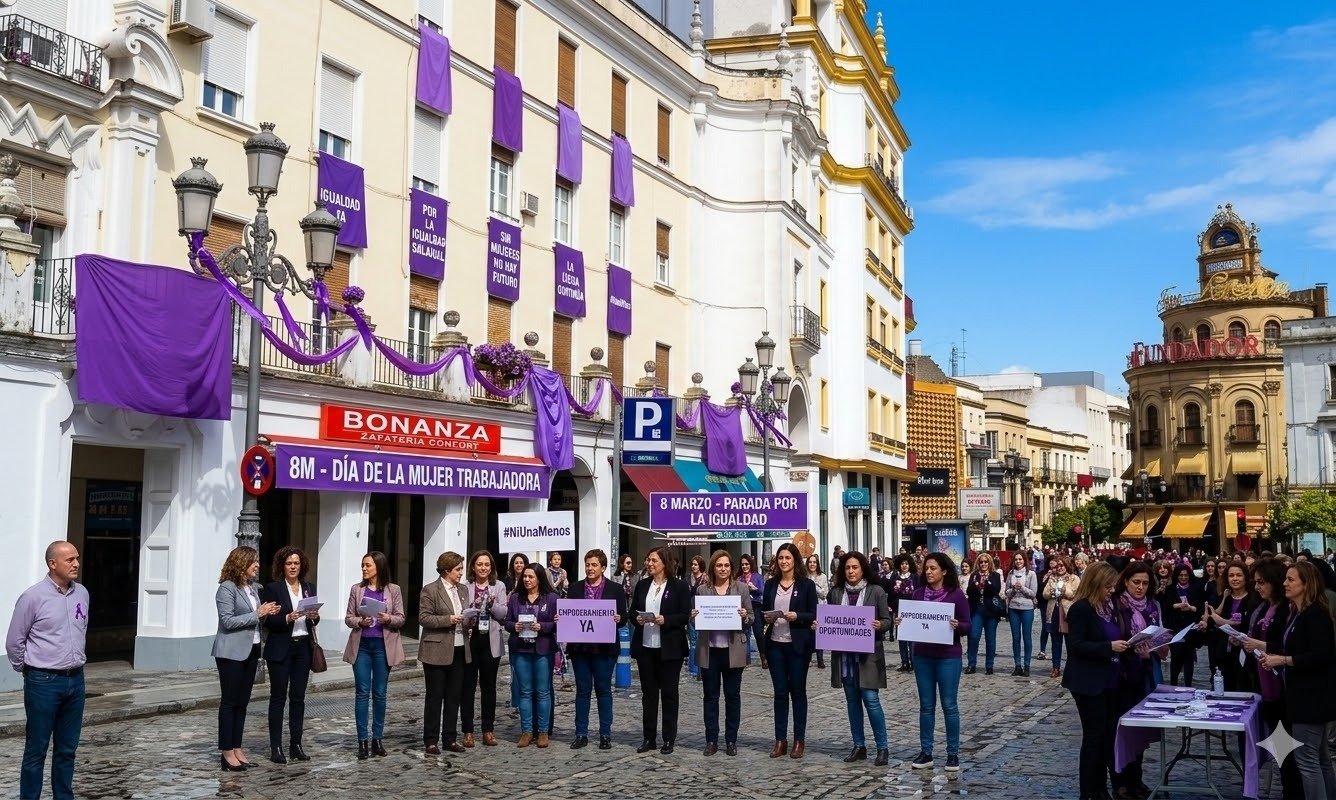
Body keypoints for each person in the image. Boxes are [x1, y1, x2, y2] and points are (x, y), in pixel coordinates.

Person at [6, 541, 90, 799]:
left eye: (77, 558)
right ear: (52, 564)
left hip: (75, 680)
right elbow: (14, 641)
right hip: (43, 681)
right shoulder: (33, 597)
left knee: (67, 749)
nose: (76, 563)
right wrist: (29, 669)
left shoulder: (82, 593)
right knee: (36, 749)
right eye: (69, 560)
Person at [1258, 561, 1336, 799]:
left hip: (1311, 698)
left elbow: (1320, 655)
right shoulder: (1298, 613)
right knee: (1320, 758)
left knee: (1307, 760)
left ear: (1306, 584)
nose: (1285, 583)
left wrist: (1282, 660)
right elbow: (1289, 646)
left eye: (1291, 579)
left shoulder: (1315, 615)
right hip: (1303, 695)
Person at [1063, 562, 1131, 800]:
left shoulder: (1108, 606)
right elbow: (1076, 645)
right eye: (1108, 586)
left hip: (1109, 679)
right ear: (1095, 584)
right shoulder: (1081, 609)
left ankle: (1102, 787)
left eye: (1113, 586)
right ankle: (1090, 790)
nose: (1112, 590)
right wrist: (1108, 647)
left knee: (1106, 735)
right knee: (1093, 735)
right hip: (1087, 681)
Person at [210, 546, 281, 772]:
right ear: (241, 563)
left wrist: (268, 612)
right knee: (229, 702)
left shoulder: (252, 589)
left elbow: (254, 619)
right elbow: (227, 621)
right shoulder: (226, 588)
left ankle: (237, 747)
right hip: (231, 652)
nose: (258, 565)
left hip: (252, 650)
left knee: (243, 703)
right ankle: (226, 751)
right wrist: (257, 614)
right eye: (253, 561)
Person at [1237, 558, 1300, 799]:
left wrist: (1258, 644)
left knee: (1288, 745)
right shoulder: (1263, 606)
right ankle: (1288, 787)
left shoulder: (1286, 608)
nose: (1257, 587)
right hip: (1264, 683)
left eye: (1262, 582)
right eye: (1256, 583)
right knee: (1278, 742)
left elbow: (1286, 645)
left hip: (1281, 684)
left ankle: (1292, 790)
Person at [902, 552, 970, 772]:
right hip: (923, 655)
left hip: (948, 657)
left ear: (944, 571)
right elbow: (912, 621)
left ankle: (952, 754)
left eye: (933, 568)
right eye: (927, 568)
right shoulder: (918, 593)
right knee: (926, 706)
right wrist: (902, 621)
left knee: (949, 705)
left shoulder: (956, 595)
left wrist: (957, 624)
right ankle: (926, 752)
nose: (929, 572)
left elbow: (968, 626)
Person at [830, 551, 893, 766]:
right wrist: (820, 626)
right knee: (852, 702)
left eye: (855, 567)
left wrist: (880, 625)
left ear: (863, 568)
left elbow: (887, 620)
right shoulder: (836, 593)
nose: (851, 571)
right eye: (847, 568)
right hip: (845, 657)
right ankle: (859, 745)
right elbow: (830, 620)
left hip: (868, 656)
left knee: (871, 700)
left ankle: (882, 747)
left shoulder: (876, 592)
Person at [342, 551, 406, 760]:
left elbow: (401, 618)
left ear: (378, 566)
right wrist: (360, 622)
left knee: (379, 693)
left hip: (383, 646)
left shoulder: (393, 590)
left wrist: (388, 618)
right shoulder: (357, 589)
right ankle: (362, 741)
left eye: (367, 565)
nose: (364, 569)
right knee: (362, 692)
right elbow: (348, 617)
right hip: (362, 645)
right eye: (363, 565)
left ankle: (377, 738)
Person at [261, 546, 320, 764]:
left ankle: (296, 744)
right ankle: (276, 746)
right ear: (282, 566)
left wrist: (313, 616)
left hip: (303, 648)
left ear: (301, 565)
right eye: (289, 563)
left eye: (296, 563)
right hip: (280, 648)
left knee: (298, 698)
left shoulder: (308, 587)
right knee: (278, 697)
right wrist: (288, 617)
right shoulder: (273, 589)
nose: (293, 567)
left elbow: (313, 620)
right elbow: (267, 620)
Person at [630, 546, 692, 754]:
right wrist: (637, 619)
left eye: (654, 560)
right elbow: (631, 613)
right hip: (646, 645)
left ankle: (668, 738)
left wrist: (666, 620)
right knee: (648, 694)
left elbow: (685, 615)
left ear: (664, 562)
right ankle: (649, 737)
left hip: (669, 647)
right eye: (648, 560)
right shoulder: (642, 585)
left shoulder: (679, 586)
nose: (649, 564)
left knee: (669, 693)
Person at [1112, 561, 1165, 798]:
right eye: (1136, 582)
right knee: (1122, 726)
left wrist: (1160, 645)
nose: (1140, 587)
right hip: (1122, 672)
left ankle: (1137, 778)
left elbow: (1160, 633)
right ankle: (1120, 779)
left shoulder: (1153, 606)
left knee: (1141, 726)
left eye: (1145, 583)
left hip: (1146, 670)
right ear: (1126, 581)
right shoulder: (1117, 604)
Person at [761, 543, 818, 759]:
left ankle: (799, 740)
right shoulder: (770, 585)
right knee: (780, 693)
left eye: (787, 558)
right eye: (781, 558)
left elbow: (813, 613)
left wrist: (798, 616)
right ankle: (780, 739)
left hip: (797, 645)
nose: (784, 562)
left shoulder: (806, 585)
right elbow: (763, 612)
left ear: (795, 560)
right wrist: (766, 617)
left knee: (798, 692)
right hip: (775, 644)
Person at [693, 549, 752, 757]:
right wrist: (694, 616)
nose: (723, 569)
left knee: (732, 696)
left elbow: (752, 618)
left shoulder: (741, 589)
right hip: (709, 650)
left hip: (733, 649)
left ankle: (731, 740)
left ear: (731, 568)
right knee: (710, 696)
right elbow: (695, 621)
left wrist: (745, 615)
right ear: (713, 567)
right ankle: (711, 740)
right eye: (719, 565)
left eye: (726, 565)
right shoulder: (702, 590)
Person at [567, 548, 627, 750]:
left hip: (605, 650)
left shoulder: (615, 590)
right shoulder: (574, 589)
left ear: (603, 567)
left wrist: (619, 619)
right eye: (587, 564)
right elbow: (569, 616)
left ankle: (605, 734)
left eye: (594, 565)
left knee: (603, 691)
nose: (590, 568)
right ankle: (581, 733)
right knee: (583, 691)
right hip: (580, 650)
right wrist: (562, 619)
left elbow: (624, 617)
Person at [420, 551, 471, 755]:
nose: (461, 573)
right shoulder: (430, 590)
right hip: (436, 649)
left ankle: (450, 737)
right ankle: (431, 740)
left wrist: (470, 619)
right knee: (435, 696)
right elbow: (424, 618)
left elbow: (464, 614)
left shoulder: (463, 590)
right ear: (447, 569)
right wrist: (448, 619)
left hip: (459, 647)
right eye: (458, 569)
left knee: (454, 696)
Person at [504, 564, 559, 747]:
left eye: (531, 577)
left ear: (539, 578)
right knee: (525, 692)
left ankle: (543, 732)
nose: (527, 580)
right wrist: (514, 626)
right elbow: (507, 622)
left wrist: (542, 627)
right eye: (525, 577)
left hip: (543, 649)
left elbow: (558, 624)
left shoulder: (551, 598)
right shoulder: (515, 598)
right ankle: (526, 731)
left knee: (543, 692)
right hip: (521, 649)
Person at [462, 549, 507, 748]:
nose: (483, 568)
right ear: (473, 566)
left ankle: (488, 730)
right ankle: (468, 731)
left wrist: (490, 604)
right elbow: (460, 613)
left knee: (489, 688)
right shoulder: (465, 587)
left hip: (491, 641)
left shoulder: (499, 586)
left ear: (491, 568)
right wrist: (472, 608)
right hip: (470, 640)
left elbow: (503, 612)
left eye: (487, 565)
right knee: (468, 688)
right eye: (480, 564)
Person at [1202, 562, 1256, 692]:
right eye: (1231, 575)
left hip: (1244, 655)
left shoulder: (1253, 599)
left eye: (1239, 575)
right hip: (1222, 655)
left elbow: (1250, 624)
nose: (1235, 578)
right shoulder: (1223, 598)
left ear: (1245, 577)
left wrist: (1223, 621)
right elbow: (1212, 621)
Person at [1158, 564, 1202, 687]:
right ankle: (1173, 684)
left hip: (1190, 628)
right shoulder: (1170, 589)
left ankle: (1188, 685)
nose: (1183, 577)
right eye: (1181, 575)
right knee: (1176, 656)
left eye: (1186, 575)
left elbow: (1199, 608)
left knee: (1189, 658)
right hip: (1175, 627)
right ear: (1177, 576)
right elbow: (1165, 607)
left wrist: (1191, 608)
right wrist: (1175, 606)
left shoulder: (1195, 588)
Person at [1041, 556, 1079, 679]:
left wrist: (1063, 589)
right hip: (1054, 612)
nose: (1060, 568)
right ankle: (1056, 667)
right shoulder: (1052, 578)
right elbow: (1045, 594)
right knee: (1056, 642)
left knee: (1070, 643)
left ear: (1067, 566)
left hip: (1068, 613)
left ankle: (1071, 667)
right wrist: (1052, 591)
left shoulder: (1074, 578)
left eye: (1062, 565)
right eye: (1058, 566)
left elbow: (1074, 594)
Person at [965, 553, 1002, 675]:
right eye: (981, 562)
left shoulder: (995, 575)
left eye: (986, 562)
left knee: (990, 639)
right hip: (977, 610)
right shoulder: (974, 575)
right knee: (974, 637)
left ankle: (989, 665)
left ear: (989, 563)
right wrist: (975, 586)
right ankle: (971, 664)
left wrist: (987, 583)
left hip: (991, 611)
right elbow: (968, 591)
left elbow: (996, 590)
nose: (983, 564)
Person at [1005, 551, 1039, 677]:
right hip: (1014, 607)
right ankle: (1017, 665)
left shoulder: (1031, 574)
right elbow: (1006, 592)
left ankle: (1027, 665)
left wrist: (1022, 588)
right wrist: (1014, 589)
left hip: (1027, 608)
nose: (1018, 561)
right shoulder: (1010, 573)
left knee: (1027, 637)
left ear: (1024, 560)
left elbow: (1033, 593)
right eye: (1016, 559)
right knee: (1015, 637)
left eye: (1020, 559)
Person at [886, 554, 918, 671]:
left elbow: (918, 592)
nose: (904, 566)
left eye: (906, 564)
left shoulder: (914, 577)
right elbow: (891, 593)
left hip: (912, 610)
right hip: (899, 610)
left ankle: (913, 661)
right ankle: (904, 661)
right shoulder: (895, 577)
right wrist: (891, 606)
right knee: (902, 637)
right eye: (902, 564)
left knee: (912, 638)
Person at [738, 553, 765, 667]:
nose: (745, 566)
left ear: (750, 564)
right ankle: (745, 658)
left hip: (756, 606)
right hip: (743, 607)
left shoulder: (757, 576)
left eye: (747, 564)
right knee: (744, 634)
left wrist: (754, 588)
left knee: (758, 633)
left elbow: (762, 591)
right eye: (743, 564)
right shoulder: (739, 578)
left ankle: (764, 657)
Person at [806, 554, 829, 669]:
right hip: (808, 607)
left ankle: (820, 659)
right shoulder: (804, 576)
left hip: (820, 606)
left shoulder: (822, 576)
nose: (812, 564)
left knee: (819, 633)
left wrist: (813, 585)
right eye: (810, 562)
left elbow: (824, 594)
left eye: (814, 562)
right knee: (809, 633)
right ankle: (808, 657)